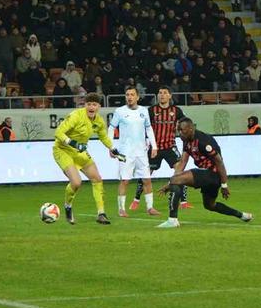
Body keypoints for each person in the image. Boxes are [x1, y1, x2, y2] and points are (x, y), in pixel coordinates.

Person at [156, 117, 254, 228]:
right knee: (210, 205)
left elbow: (219, 162)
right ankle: (242, 215)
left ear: (191, 129)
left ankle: (172, 220)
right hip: (207, 176)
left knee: (175, 180)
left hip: (212, 174)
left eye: (182, 130)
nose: (179, 133)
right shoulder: (187, 141)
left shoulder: (203, 141)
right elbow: (183, 162)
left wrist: (224, 184)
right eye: (178, 130)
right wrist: (172, 181)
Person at [53, 92, 119, 225]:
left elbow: (103, 136)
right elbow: (58, 132)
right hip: (63, 150)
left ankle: (101, 213)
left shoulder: (99, 121)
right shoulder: (75, 116)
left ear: (99, 106)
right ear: (85, 105)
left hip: (80, 152)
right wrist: (71, 142)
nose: (91, 107)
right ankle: (68, 206)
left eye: (94, 104)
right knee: (77, 183)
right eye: (89, 104)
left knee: (97, 179)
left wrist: (112, 148)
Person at [130, 85, 190, 210]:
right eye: (160, 92)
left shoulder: (176, 111)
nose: (161, 95)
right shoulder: (151, 110)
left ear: (169, 96)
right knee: (146, 174)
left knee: (180, 171)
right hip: (154, 148)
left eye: (164, 93)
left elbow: (186, 124)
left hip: (170, 147)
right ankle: (136, 200)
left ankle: (184, 202)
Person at [109, 87, 160, 217]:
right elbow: (111, 128)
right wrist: (110, 147)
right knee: (125, 181)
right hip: (124, 153)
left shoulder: (144, 111)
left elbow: (148, 129)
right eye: (127, 95)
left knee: (147, 180)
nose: (129, 97)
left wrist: (154, 146)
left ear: (137, 97)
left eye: (132, 95)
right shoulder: (120, 111)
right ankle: (121, 209)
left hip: (141, 152)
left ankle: (150, 208)